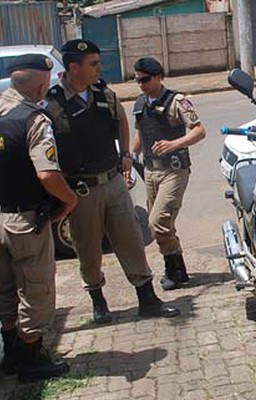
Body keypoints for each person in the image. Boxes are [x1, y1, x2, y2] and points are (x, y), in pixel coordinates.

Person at [44, 39, 180, 324]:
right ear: (73, 67)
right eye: (93, 64)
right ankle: (98, 301)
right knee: (88, 248)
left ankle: (148, 300)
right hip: (80, 189)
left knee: (130, 239)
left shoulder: (103, 93)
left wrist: (126, 154)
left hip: (113, 181)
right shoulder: (52, 103)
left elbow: (121, 119)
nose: (99, 69)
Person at [0, 54, 78, 381]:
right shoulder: (34, 119)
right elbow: (47, 175)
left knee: (4, 288)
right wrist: (70, 199)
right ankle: (31, 360)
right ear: (42, 83)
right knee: (36, 289)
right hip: (25, 220)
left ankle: (12, 356)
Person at [131, 57, 206, 290]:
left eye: (144, 80)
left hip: (174, 170)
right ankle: (176, 269)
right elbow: (140, 135)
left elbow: (199, 131)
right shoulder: (140, 103)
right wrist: (129, 157)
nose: (141, 84)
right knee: (164, 225)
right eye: (137, 80)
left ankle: (174, 268)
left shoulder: (177, 101)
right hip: (151, 171)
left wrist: (175, 144)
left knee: (157, 222)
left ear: (157, 76)